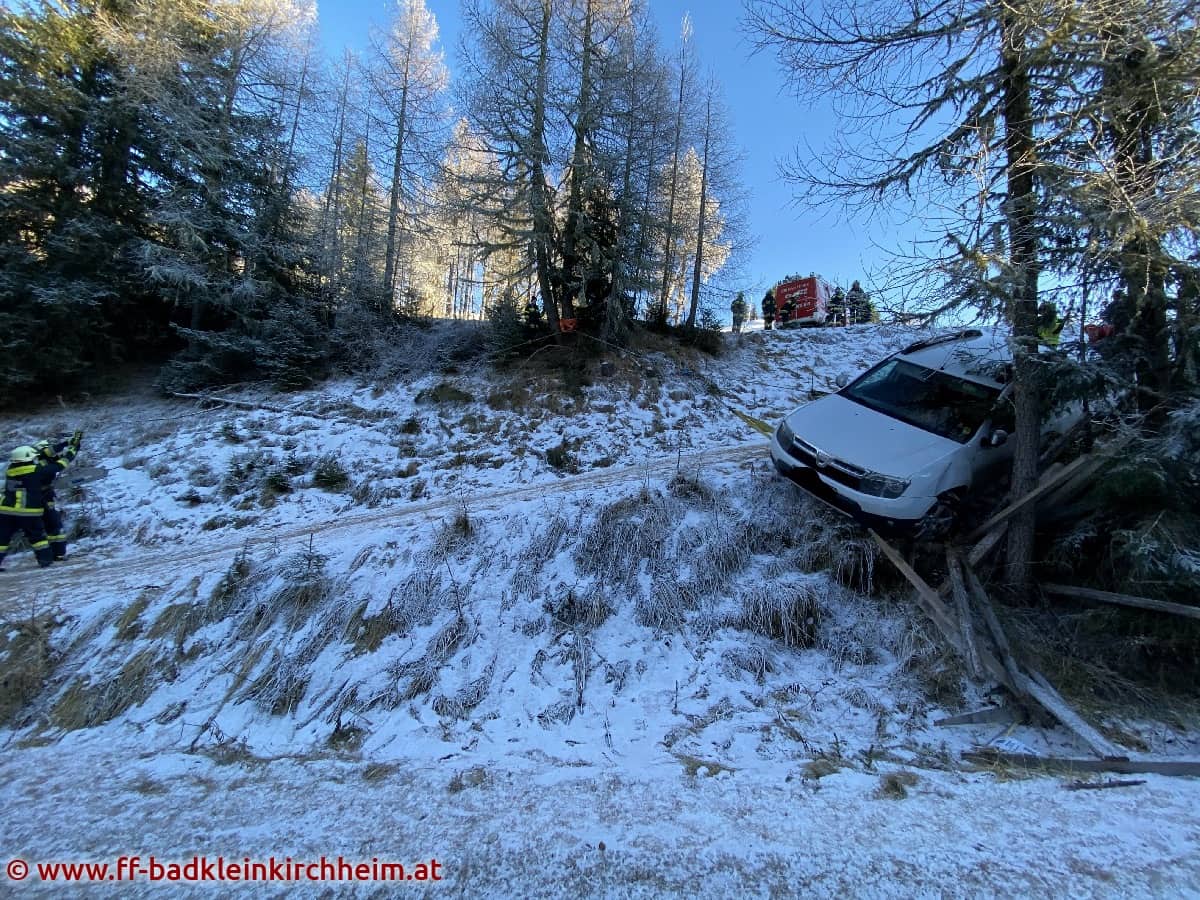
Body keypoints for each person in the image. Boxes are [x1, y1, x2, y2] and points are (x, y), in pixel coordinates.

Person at [33, 433, 82, 561]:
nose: (52, 451)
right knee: (53, 525)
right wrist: (73, 448)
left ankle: (51, 554)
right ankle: (57, 554)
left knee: (44, 527)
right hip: (41, 498)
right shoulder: (42, 463)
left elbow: (56, 454)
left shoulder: (39, 460)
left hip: (37, 498)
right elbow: (62, 462)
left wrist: (69, 443)